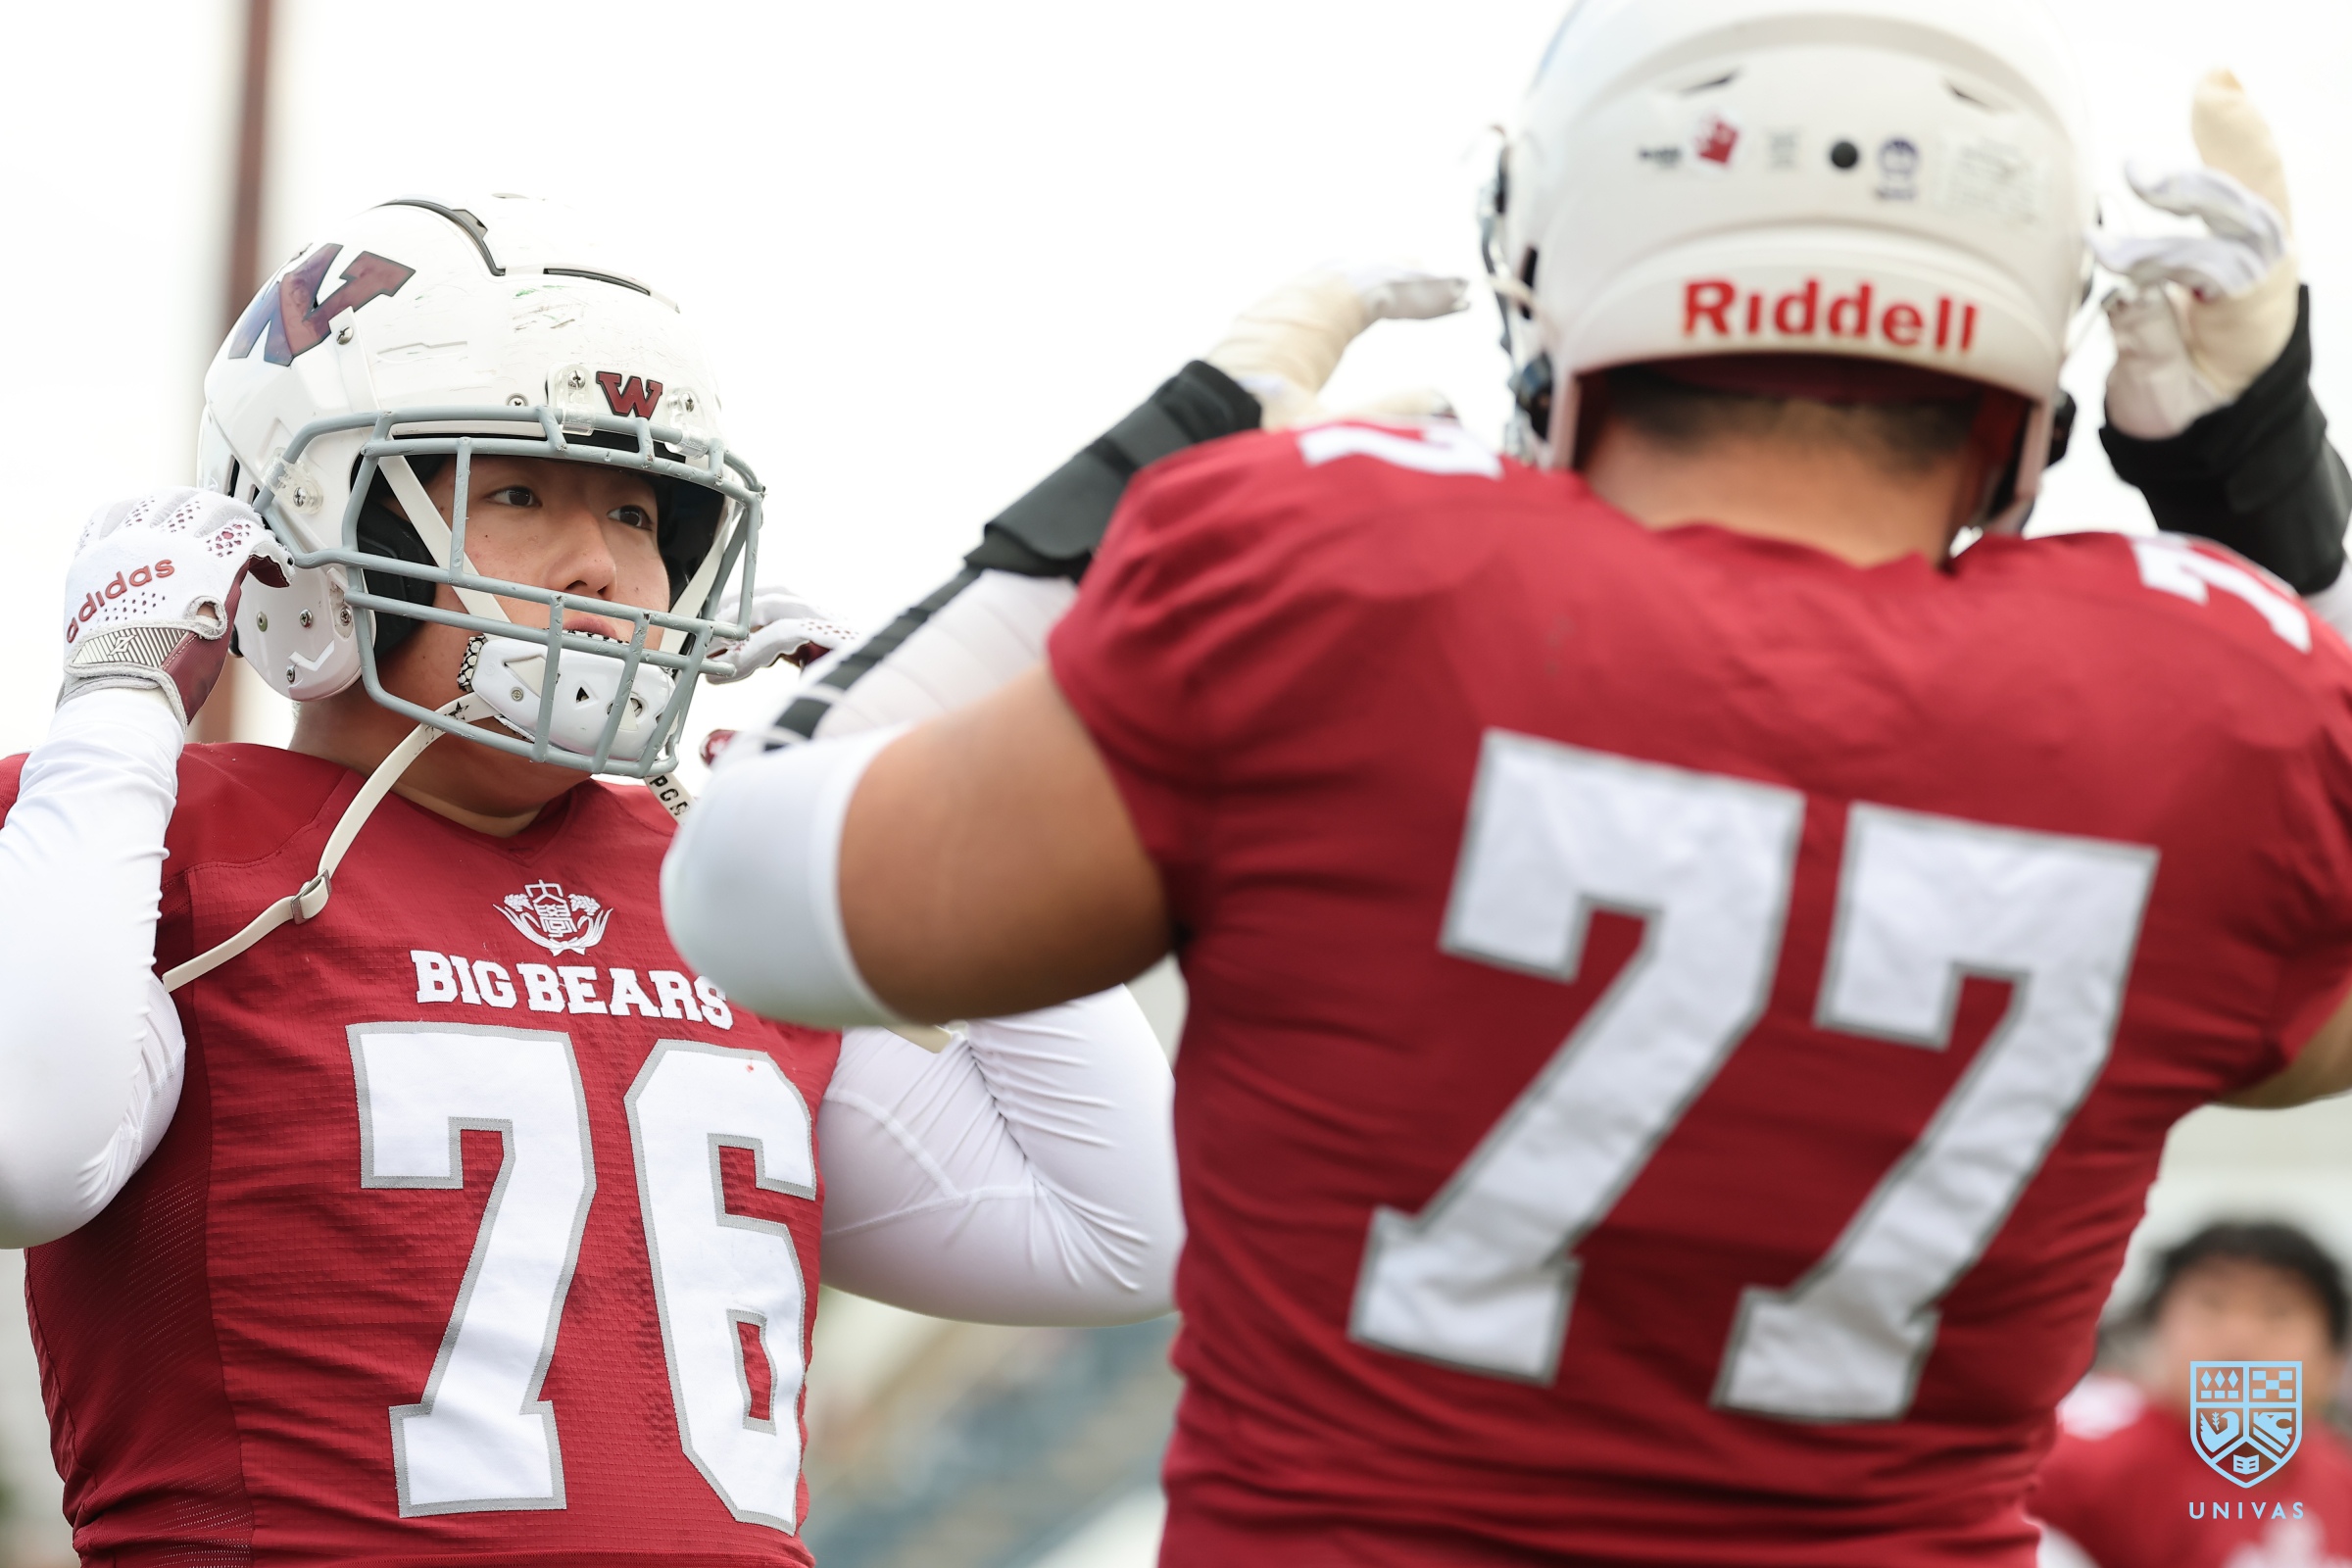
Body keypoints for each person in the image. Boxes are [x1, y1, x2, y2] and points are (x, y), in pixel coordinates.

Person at [665, 5, 2352, 1564]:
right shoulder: (2208, 699)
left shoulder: (1349, 573)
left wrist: (1142, 471)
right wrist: (2263, 485)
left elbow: (752, 890)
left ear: (1559, 242)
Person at [0, 191, 1452, 1563]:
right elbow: (26, 1147)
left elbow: (1130, 1224)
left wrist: (918, 782)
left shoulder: (704, 890)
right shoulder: (143, 834)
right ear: (318, 526)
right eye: (521, 492)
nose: (605, 569)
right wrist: (119, 700)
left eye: (639, 515)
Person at [2033, 1221, 2352, 1568]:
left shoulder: (2342, 1482)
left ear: (2333, 1359)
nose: (2239, 1340)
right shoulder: (2070, 1467)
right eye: (2211, 1305)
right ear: (2155, 1333)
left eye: (2277, 1313)